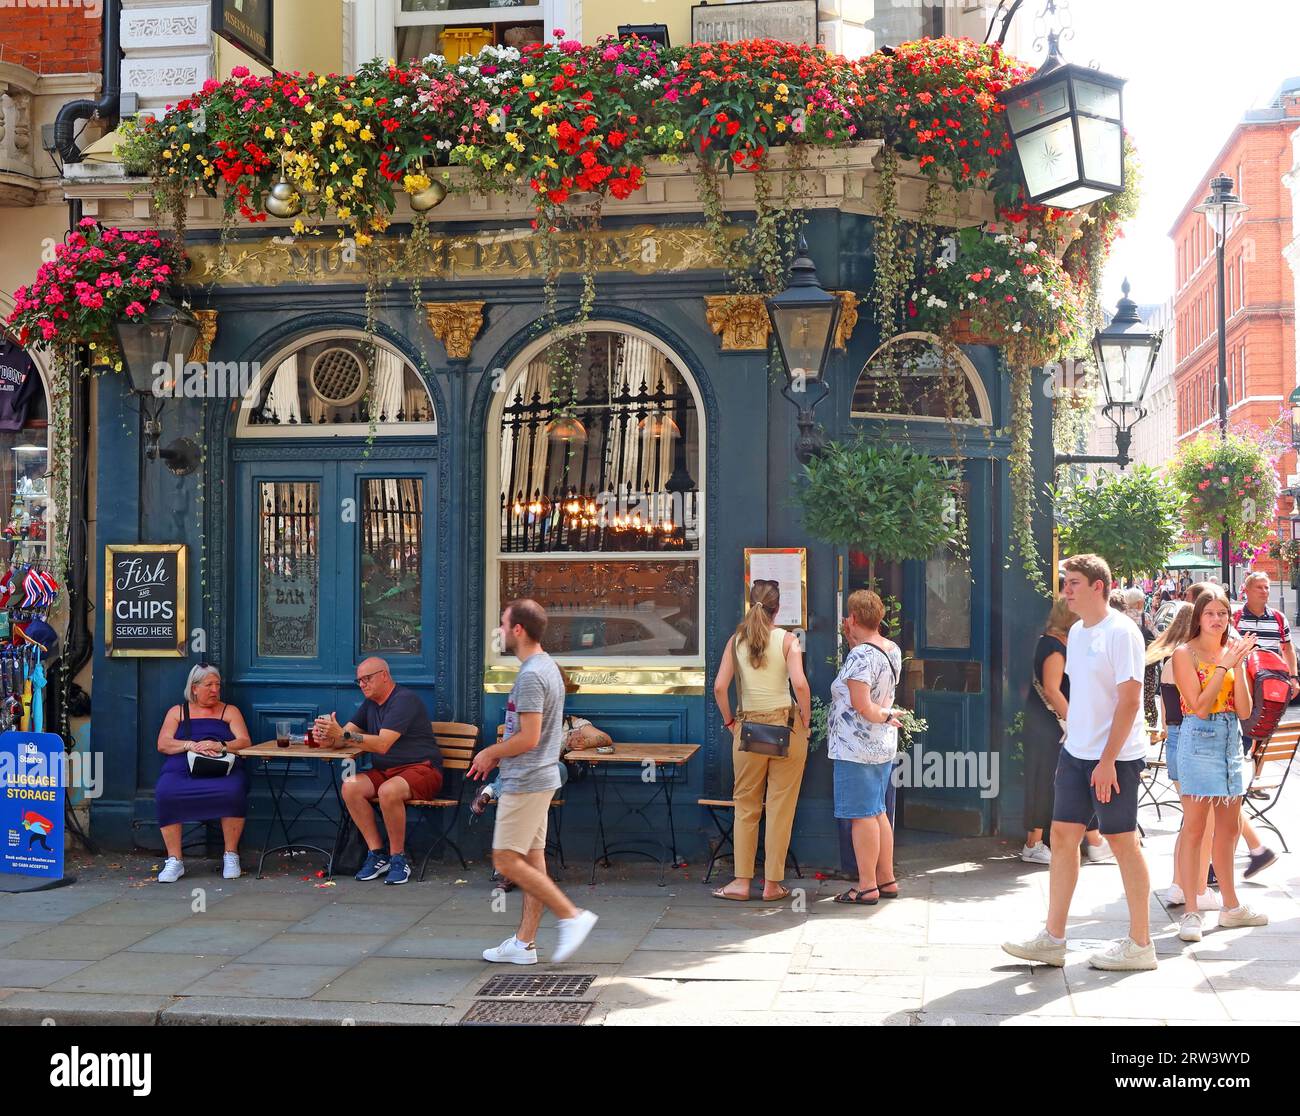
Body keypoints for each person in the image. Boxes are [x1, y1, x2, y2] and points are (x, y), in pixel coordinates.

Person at [1003, 553, 1156, 971]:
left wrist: (1107, 761)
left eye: (1072, 583)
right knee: (1062, 836)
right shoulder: (1080, 634)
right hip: (1076, 753)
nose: (1065, 590)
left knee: (1123, 842)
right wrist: (1074, 742)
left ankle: (1141, 944)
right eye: (1065, 583)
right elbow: (1085, 698)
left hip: (1115, 758)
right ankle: (1053, 938)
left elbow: (1128, 702)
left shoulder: (1121, 633)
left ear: (1098, 587)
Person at [471, 599, 598, 964]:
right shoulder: (547, 667)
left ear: (518, 630)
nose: (498, 630)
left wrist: (490, 753)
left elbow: (527, 737)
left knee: (506, 860)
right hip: (537, 777)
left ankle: (572, 917)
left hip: (525, 780)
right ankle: (525, 943)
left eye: (503, 623)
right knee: (532, 860)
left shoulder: (530, 675)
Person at [1170, 587, 1269, 942]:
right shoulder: (1185, 653)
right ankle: (1191, 912)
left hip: (1229, 738)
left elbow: (1242, 710)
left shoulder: (1230, 654)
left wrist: (1237, 666)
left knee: (1228, 830)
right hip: (1199, 737)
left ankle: (1231, 906)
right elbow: (1197, 705)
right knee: (1196, 828)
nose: (1217, 620)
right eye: (1210, 613)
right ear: (1198, 617)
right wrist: (1223, 666)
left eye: (1223, 614)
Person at [710, 579, 811, 902]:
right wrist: (806, 721)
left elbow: (719, 687)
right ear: (777, 609)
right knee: (781, 806)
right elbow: (801, 685)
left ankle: (741, 882)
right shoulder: (788, 640)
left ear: (749, 605)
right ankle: (772, 885)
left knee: (746, 806)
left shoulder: (735, 640)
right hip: (786, 728)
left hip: (748, 729)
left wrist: (729, 721)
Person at [316, 657, 442, 886]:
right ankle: (377, 854)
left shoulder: (404, 700)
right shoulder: (370, 704)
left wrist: (342, 735)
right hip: (387, 771)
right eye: (359, 681)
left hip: (422, 769)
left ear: (384, 675)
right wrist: (328, 738)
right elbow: (345, 738)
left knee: (387, 791)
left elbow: (383, 744)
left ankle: (398, 858)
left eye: (367, 679)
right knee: (350, 786)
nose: (362, 684)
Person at [1021, 597, 1112, 865]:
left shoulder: (1059, 643)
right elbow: (1052, 688)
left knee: (1061, 781)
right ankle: (1033, 843)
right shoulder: (1054, 647)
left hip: (1052, 725)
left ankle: (1093, 840)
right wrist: (1074, 722)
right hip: (1050, 727)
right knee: (1044, 781)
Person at [826, 589, 903, 905]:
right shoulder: (891, 649)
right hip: (881, 746)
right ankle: (886, 880)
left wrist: (885, 715)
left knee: (861, 816)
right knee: (878, 811)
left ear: (853, 618)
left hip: (855, 746)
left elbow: (863, 705)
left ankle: (867, 885)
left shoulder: (859, 656)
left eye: (848, 616)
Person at [154, 664, 253, 883]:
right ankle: (174, 860)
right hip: (182, 765)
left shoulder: (229, 711)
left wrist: (221, 746)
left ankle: (230, 854)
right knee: (166, 791)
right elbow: (163, 743)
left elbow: (244, 742)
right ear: (194, 688)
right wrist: (190, 744)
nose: (215, 690)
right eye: (209, 685)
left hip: (221, 765)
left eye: (217, 685)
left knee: (233, 789)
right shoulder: (177, 711)